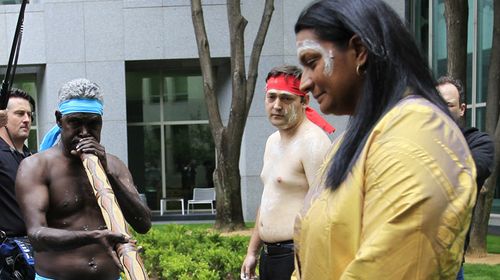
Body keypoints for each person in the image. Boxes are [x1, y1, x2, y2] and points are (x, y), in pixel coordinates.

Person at [292, 0, 477, 279]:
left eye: (312, 62)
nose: (304, 82)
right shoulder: (357, 138)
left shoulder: (418, 134)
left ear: (359, 51)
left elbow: (390, 266)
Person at [15, 79, 152, 280]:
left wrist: (108, 173)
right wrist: (94, 237)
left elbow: (144, 223)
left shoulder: (114, 165)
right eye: (76, 123)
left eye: (93, 124)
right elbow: (36, 236)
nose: (85, 132)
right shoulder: (35, 167)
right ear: (59, 120)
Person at [240, 65, 333, 280]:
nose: (277, 105)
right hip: (269, 256)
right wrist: (252, 251)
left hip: (296, 257)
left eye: (287, 98)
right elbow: (268, 200)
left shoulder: (314, 143)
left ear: (304, 102)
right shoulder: (272, 141)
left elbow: (326, 209)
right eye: (271, 97)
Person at [436, 76, 494, 280]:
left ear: (462, 109)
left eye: (449, 104)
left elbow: (469, 171)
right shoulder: (419, 140)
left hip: (450, 263)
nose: (442, 109)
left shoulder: (479, 142)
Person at [0, 89, 36, 280]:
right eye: (19, 113)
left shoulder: (33, 158)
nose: (27, 119)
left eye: (29, 114)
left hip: (37, 252)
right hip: (6, 256)